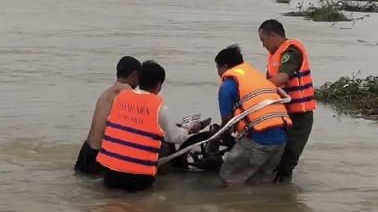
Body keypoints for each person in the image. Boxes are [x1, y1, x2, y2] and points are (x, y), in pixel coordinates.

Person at [96, 60, 200, 192]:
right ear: (159, 85)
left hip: (110, 172)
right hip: (138, 177)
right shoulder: (159, 107)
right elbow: (175, 137)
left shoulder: (120, 98)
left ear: (139, 79)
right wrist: (190, 130)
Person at [215, 45, 291, 187]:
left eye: (217, 68)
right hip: (280, 142)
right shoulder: (258, 78)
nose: (218, 73)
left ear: (224, 67)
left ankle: (229, 207)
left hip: (258, 142)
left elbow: (227, 121)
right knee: (262, 182)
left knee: (229, 175)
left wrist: (217, 136)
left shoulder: (228, 85)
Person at [258, 19, 316, 181]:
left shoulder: (291, 52)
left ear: (273, 35)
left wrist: (257, 91)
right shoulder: (275, 55)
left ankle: (283, 195)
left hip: (299, 117)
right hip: (283, 114)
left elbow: (282, 76)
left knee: (286, 161)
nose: (263, 45)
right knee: (273, 157)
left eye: (263, 40)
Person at [74, 56, 141, 174]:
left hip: (86, 151)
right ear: (135, 74)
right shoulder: (128, 93)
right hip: (99, 155)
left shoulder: (106, 92)